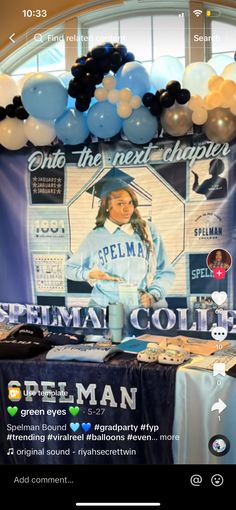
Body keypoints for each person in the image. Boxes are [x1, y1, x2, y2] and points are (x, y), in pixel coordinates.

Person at [65, 169, 175, 308]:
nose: (127, 209)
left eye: (130, 203)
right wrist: (89, 274)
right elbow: (69, 268)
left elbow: (165, 271)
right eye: (120, 203)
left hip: (140, 306)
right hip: (104, 306)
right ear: (106, 206)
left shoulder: (147, 230)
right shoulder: (95, 237)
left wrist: (153, 295)